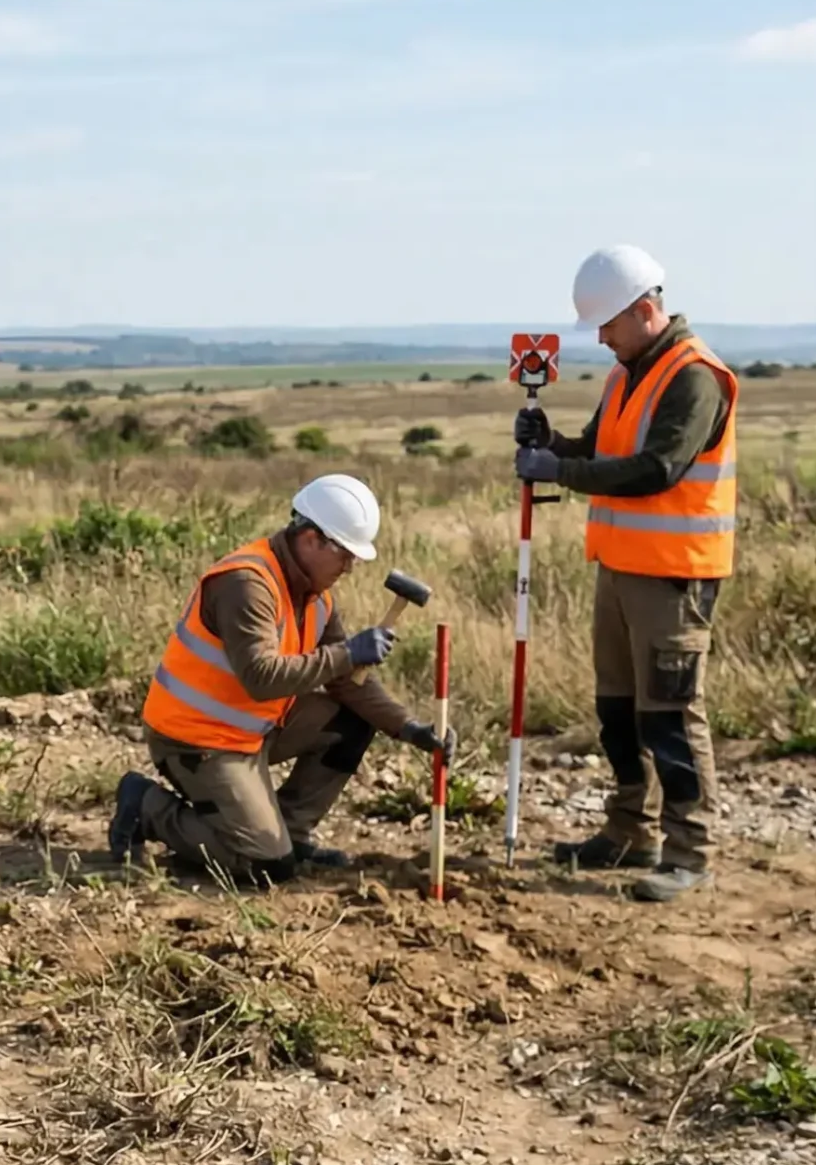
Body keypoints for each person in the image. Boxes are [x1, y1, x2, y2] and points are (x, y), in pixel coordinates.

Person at [514, 244, 738, 903]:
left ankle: (691, 850)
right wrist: (553, 444)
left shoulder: (694, 376)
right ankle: (629, 830)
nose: (602, 337)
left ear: (646, 309)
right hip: (619, 568)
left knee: (669, 715)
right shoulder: (628, 372)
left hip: (674, 577)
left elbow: (657, 468)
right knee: (618, 711)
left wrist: (563, 473)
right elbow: (604, 450)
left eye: (608, 324)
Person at [109, 474, 450, 881]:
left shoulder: (317, 596)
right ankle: (147, 806)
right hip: (196, 739)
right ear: (310, 539)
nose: (350, 567)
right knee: (264, 866)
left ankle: (292, 830)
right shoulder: (247, 584)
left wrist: (410, 728)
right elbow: (260, 677)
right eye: (345, 554)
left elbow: (347, 683)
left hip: (251, 728)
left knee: (353, 720)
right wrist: (347, 652)